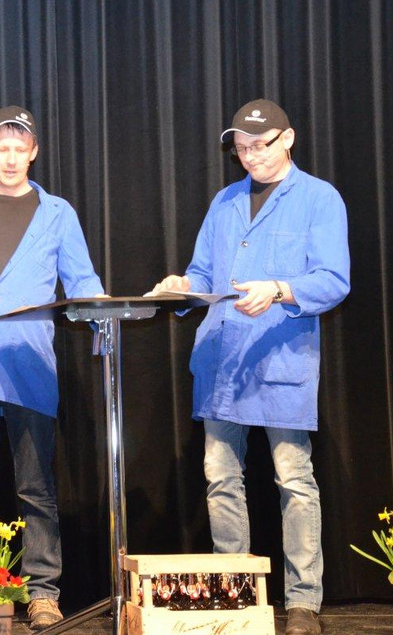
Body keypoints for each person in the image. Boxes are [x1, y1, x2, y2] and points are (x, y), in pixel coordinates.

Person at [150, 99, 350, 635]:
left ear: (288, 138)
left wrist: (280, 289)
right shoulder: (225, 201)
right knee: (220, 477)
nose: (250, 156)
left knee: (294, 479)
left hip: (280, 358)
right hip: (223, 359)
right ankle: (234, 593)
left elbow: (333, 279)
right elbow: (202, 274)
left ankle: (303, 601)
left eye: (259, 145)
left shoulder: (319, 198)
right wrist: (181, 287)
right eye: (240, 148)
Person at [0, 106, 105, 631]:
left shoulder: (58, 213)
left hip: (28, 365)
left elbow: (82, 280)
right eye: (1, 148)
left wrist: (104, 314)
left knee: (36, 489)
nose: (10, 158)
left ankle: (43, 593)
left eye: (19, 149)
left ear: (33, 153)